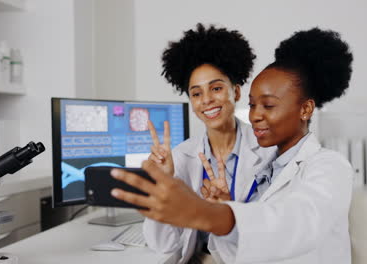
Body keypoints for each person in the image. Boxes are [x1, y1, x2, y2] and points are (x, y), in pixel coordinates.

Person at [111, 27, 354, 264]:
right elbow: (229, 250)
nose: (255, 116)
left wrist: (209, 213)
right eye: (253, 105)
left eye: (268, 105)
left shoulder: (330, 165)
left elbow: (294, 222)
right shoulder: (272, 165)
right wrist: (221, 205)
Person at [141, 23, 275, 263]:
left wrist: (227, 210)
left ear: (235, 92)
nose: (207, 101)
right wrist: (163, 182)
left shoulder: (268, 151)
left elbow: (273, 235)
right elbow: (163, 244)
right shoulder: (181, 157)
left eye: (216, 88)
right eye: (196, 93)